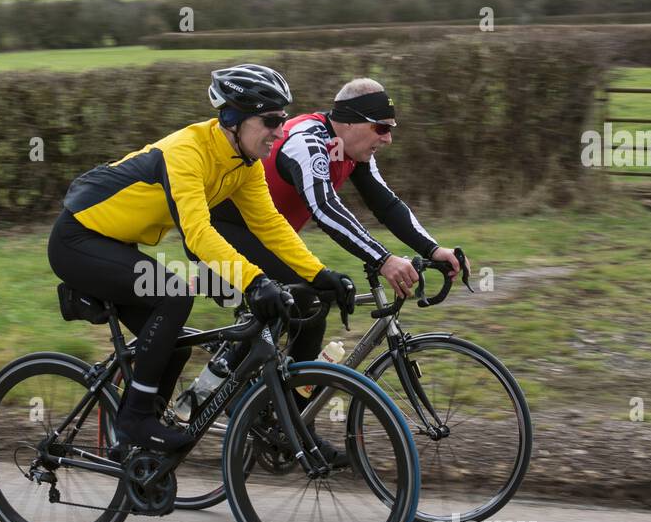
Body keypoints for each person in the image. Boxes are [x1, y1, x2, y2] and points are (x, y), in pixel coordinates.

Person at [48, 63, 356, 454]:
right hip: (78, 239)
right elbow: (197, 233)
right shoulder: (187, 152)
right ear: (234, 120)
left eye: (282, 119)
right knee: (174, 294)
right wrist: (255, 281)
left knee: (174, 343)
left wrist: (319, 274)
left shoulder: (244, 164)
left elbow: (270, 225)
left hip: (116, 243)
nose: (280, 131)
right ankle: (134, 421)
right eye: (271, 120)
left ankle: (137, 450)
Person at [209, 77, 469, 368]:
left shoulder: (350, 150)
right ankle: (234, 381)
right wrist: (383, 259)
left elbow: (386, 204)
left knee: (310, 302)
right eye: (381, 127)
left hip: (268, 237)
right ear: (350, 123)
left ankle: (285, 399)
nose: (388, 138)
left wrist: (432, 250)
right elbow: (326, 208)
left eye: (390, 129)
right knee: (306, 296)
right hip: (224, 231)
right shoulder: (306, 140)